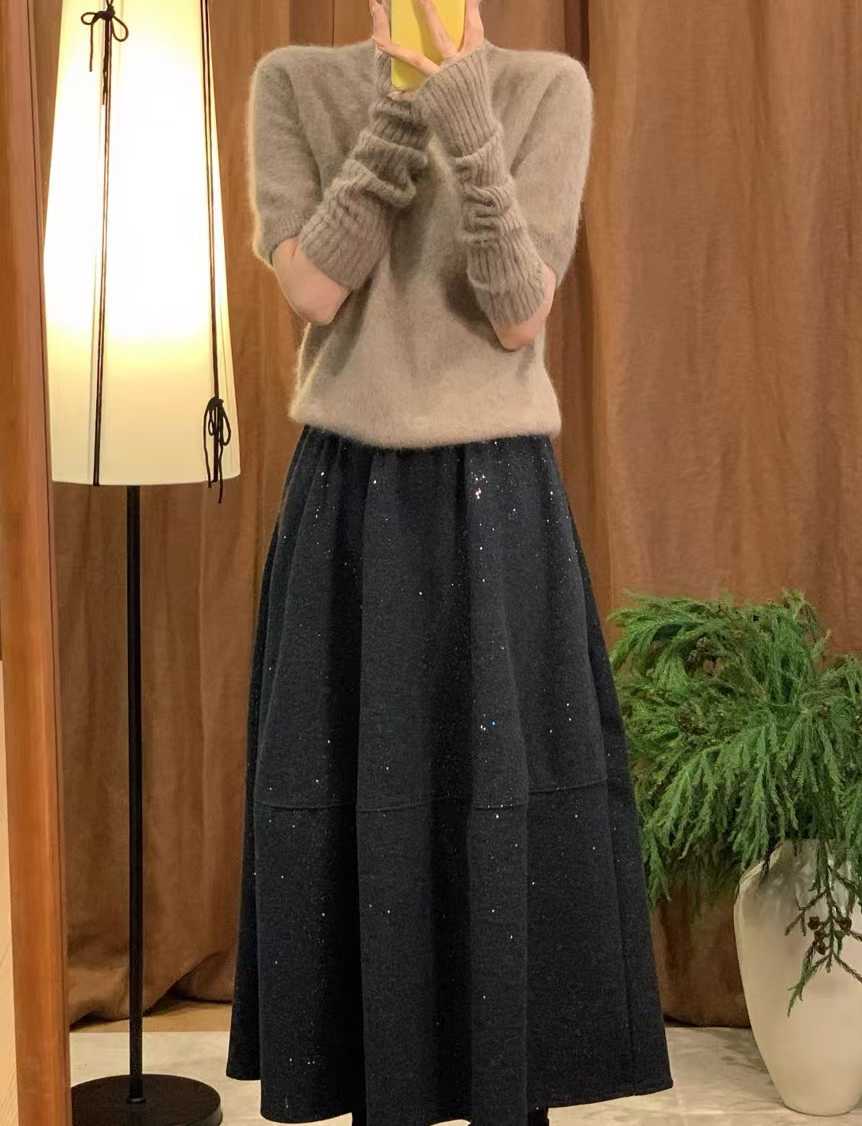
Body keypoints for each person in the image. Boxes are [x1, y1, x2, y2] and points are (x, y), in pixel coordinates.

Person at [226, 1, 674, 1123]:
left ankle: (504, 1087)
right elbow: (311, 290)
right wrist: (396, 114)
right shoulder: (292, 82)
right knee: (349, 798)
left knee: (502, 797)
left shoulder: (549, 90)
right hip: (349, 498)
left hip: (497, 499)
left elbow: (519, 314)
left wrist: (465, 115)